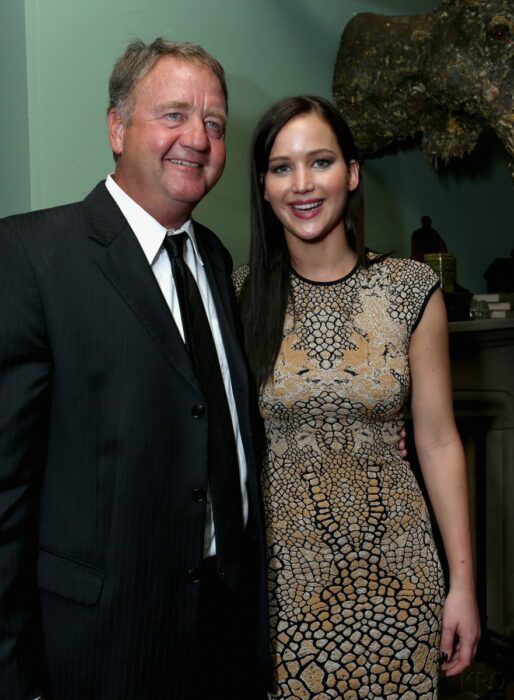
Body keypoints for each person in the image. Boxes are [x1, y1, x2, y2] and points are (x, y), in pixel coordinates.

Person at [0, 38, 269, 700]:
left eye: (213, 121)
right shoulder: (31, 258)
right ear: (117, 128)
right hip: (98, 651)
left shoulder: (211, 256)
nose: (198, 139)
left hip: (223, 635)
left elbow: (213, 418)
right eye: (174, 114)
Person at [233, 96, 480, 698]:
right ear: (262, 187)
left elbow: (439, 438)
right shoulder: (235, 295)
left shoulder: (409, 289)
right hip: (285, 584)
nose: (302, 184)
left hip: (401, 573)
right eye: (281, 167)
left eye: (319, 162)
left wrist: (464, 588)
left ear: (352, 171)